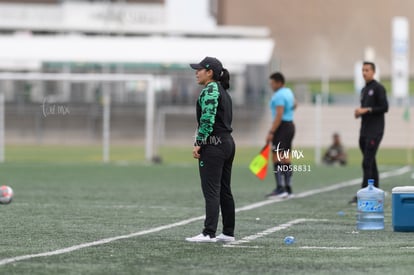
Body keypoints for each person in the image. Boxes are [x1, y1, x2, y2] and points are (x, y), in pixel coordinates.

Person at [185, 57, 236, 243]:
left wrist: (199, 142)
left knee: (212, 190)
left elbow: (208, 118)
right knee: (224, 190)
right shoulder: (223, 91)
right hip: (227, 143)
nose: (196, 73)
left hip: (214, 144)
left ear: (210, 72)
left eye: (199, 70)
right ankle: (228, 232)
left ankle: (208, 233)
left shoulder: (211, 89)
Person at [349, 61, 388, 204]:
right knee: (371, 162)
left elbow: (384, 107)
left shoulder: (378, 88)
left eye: (367, 70)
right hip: (364, 131)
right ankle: (376, 191)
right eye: (363, 70)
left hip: (375, 131)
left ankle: (364, 194)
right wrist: (360, 113)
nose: (364, 72)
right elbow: (364, 109)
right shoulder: (364, 90)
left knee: (367, 162)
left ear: (373, 72)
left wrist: (367, 109)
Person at [265, 72, 296, 199]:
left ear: (279, 83)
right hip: (289, 126)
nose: (271, 86)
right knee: (285, 157)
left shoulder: (278, 95)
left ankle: (280, 188)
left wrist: (271, 132)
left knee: (277, 157)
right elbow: (295, 104)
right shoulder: (288, 92)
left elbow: (279, 114)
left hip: (282, 127)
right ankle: (287, 188)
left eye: (272, 83)